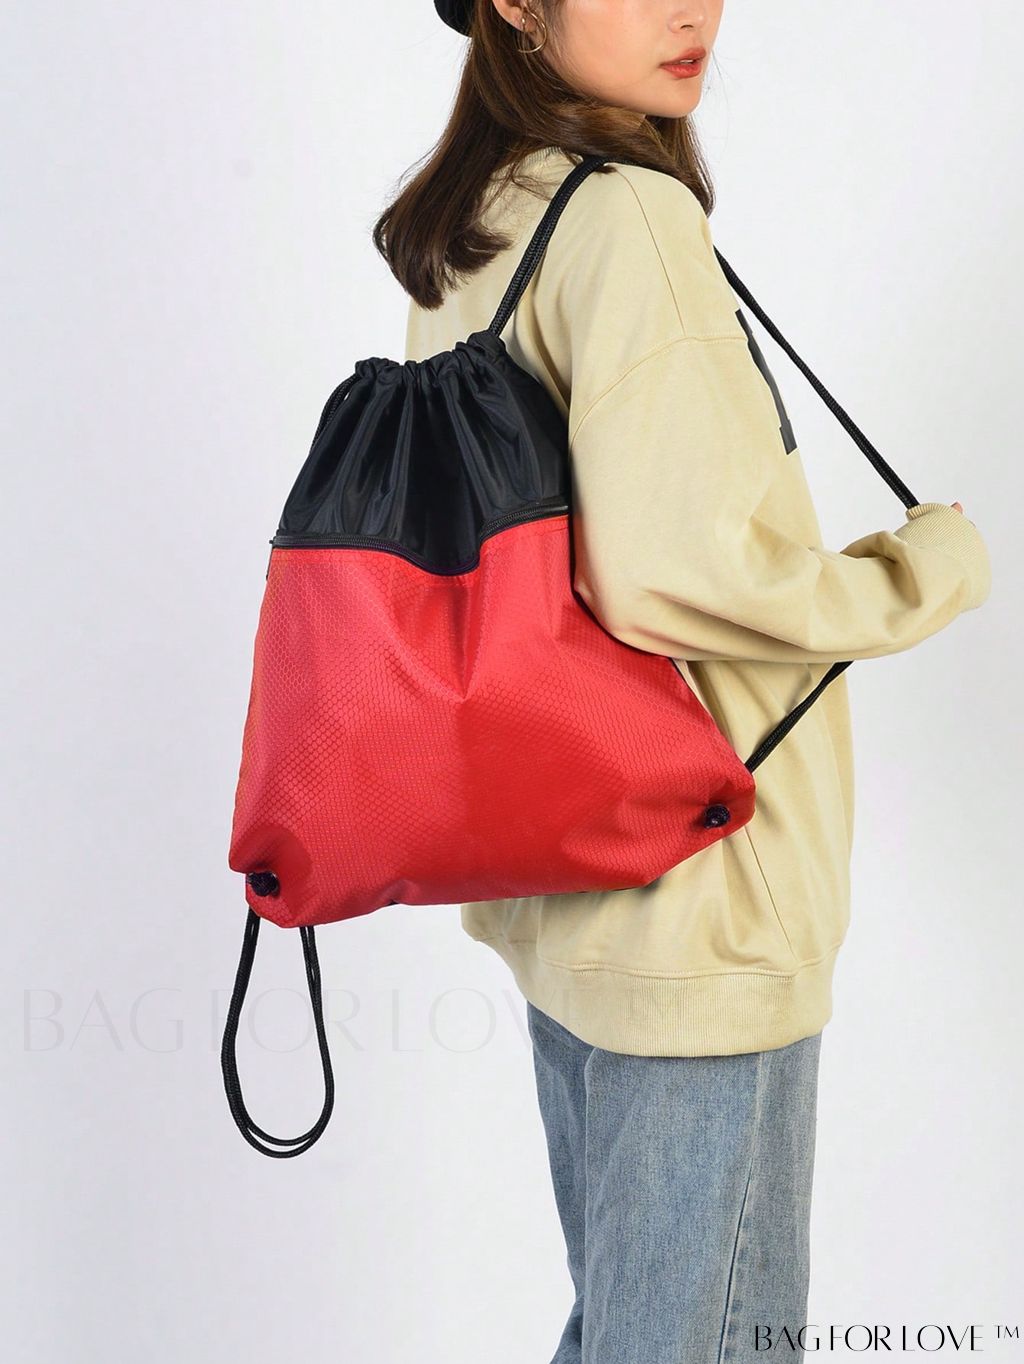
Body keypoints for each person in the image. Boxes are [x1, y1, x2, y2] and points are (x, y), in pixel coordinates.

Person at [376, 2, 992, 1359]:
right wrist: (921, 573)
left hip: (560, 866)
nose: (691, 7)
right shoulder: (625, 216)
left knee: (634, 1327)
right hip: (700, 882)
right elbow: (675, 574)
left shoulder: (481, 212)